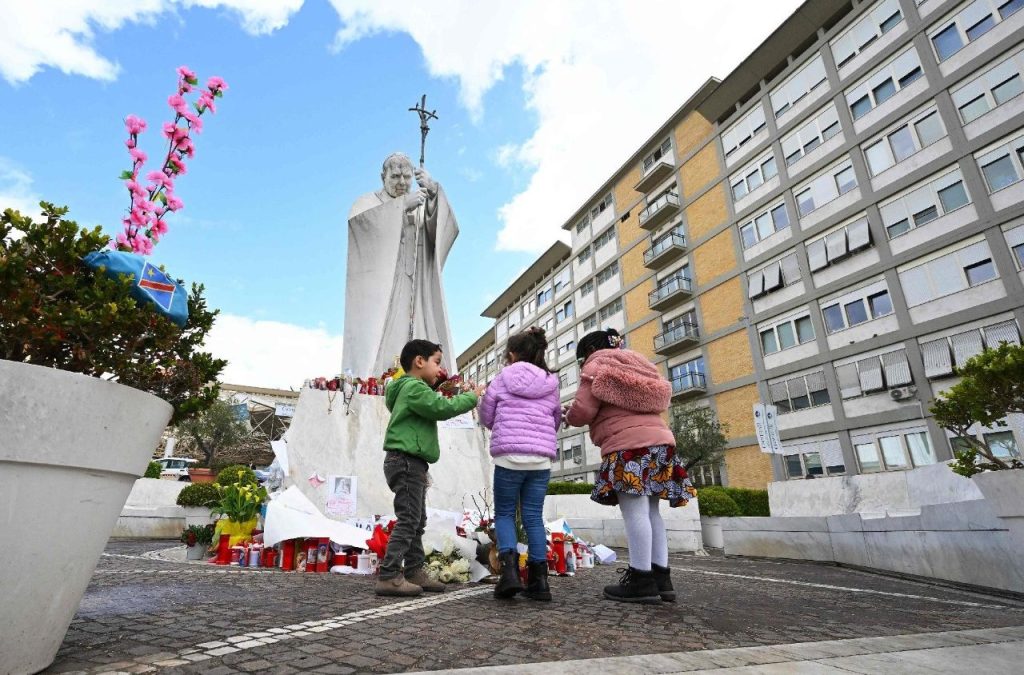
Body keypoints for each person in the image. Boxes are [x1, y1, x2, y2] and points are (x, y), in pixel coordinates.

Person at [564, 328, 694, 604]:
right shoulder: (639, 364)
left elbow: (583, 411)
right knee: (651, 512)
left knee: (634, 512)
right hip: (661, 443)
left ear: (587, 351)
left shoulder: (596, 364)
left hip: (628, 447)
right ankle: (662, 578)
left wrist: (567, 414)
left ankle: (641, 579)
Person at [375, 339, 484, 597]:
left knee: (417, 519)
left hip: (409, 462)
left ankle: (414, 571)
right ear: (419, 361)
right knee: (409, 519)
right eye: (437, 362)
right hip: (407, 461)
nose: (439, 369)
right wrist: (472, 397)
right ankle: (389, 575)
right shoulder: (413, 387)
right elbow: (441, 408)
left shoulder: (407, 389)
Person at [343, 153, 460, 377]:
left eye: (407, 177)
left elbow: (444, 231)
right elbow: (359, 227)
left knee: (419, 331)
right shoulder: (368, 203)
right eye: (395, 176)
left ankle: (421, 375)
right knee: (384, 334)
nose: (402, 182)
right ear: (382, 176)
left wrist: (434, 193)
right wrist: (401, 207)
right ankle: (377, 376)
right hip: (384, 287)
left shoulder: (419, 202)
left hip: (417, 286)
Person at [477, 327, 561, 601]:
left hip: (508, 457)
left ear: (511, 355)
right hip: (540, 460)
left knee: (504, 514)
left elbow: (487, 415)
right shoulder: (551, 382)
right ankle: (540, 582)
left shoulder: (501, 379)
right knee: (533, 517)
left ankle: (510, 574)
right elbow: (556, 418)